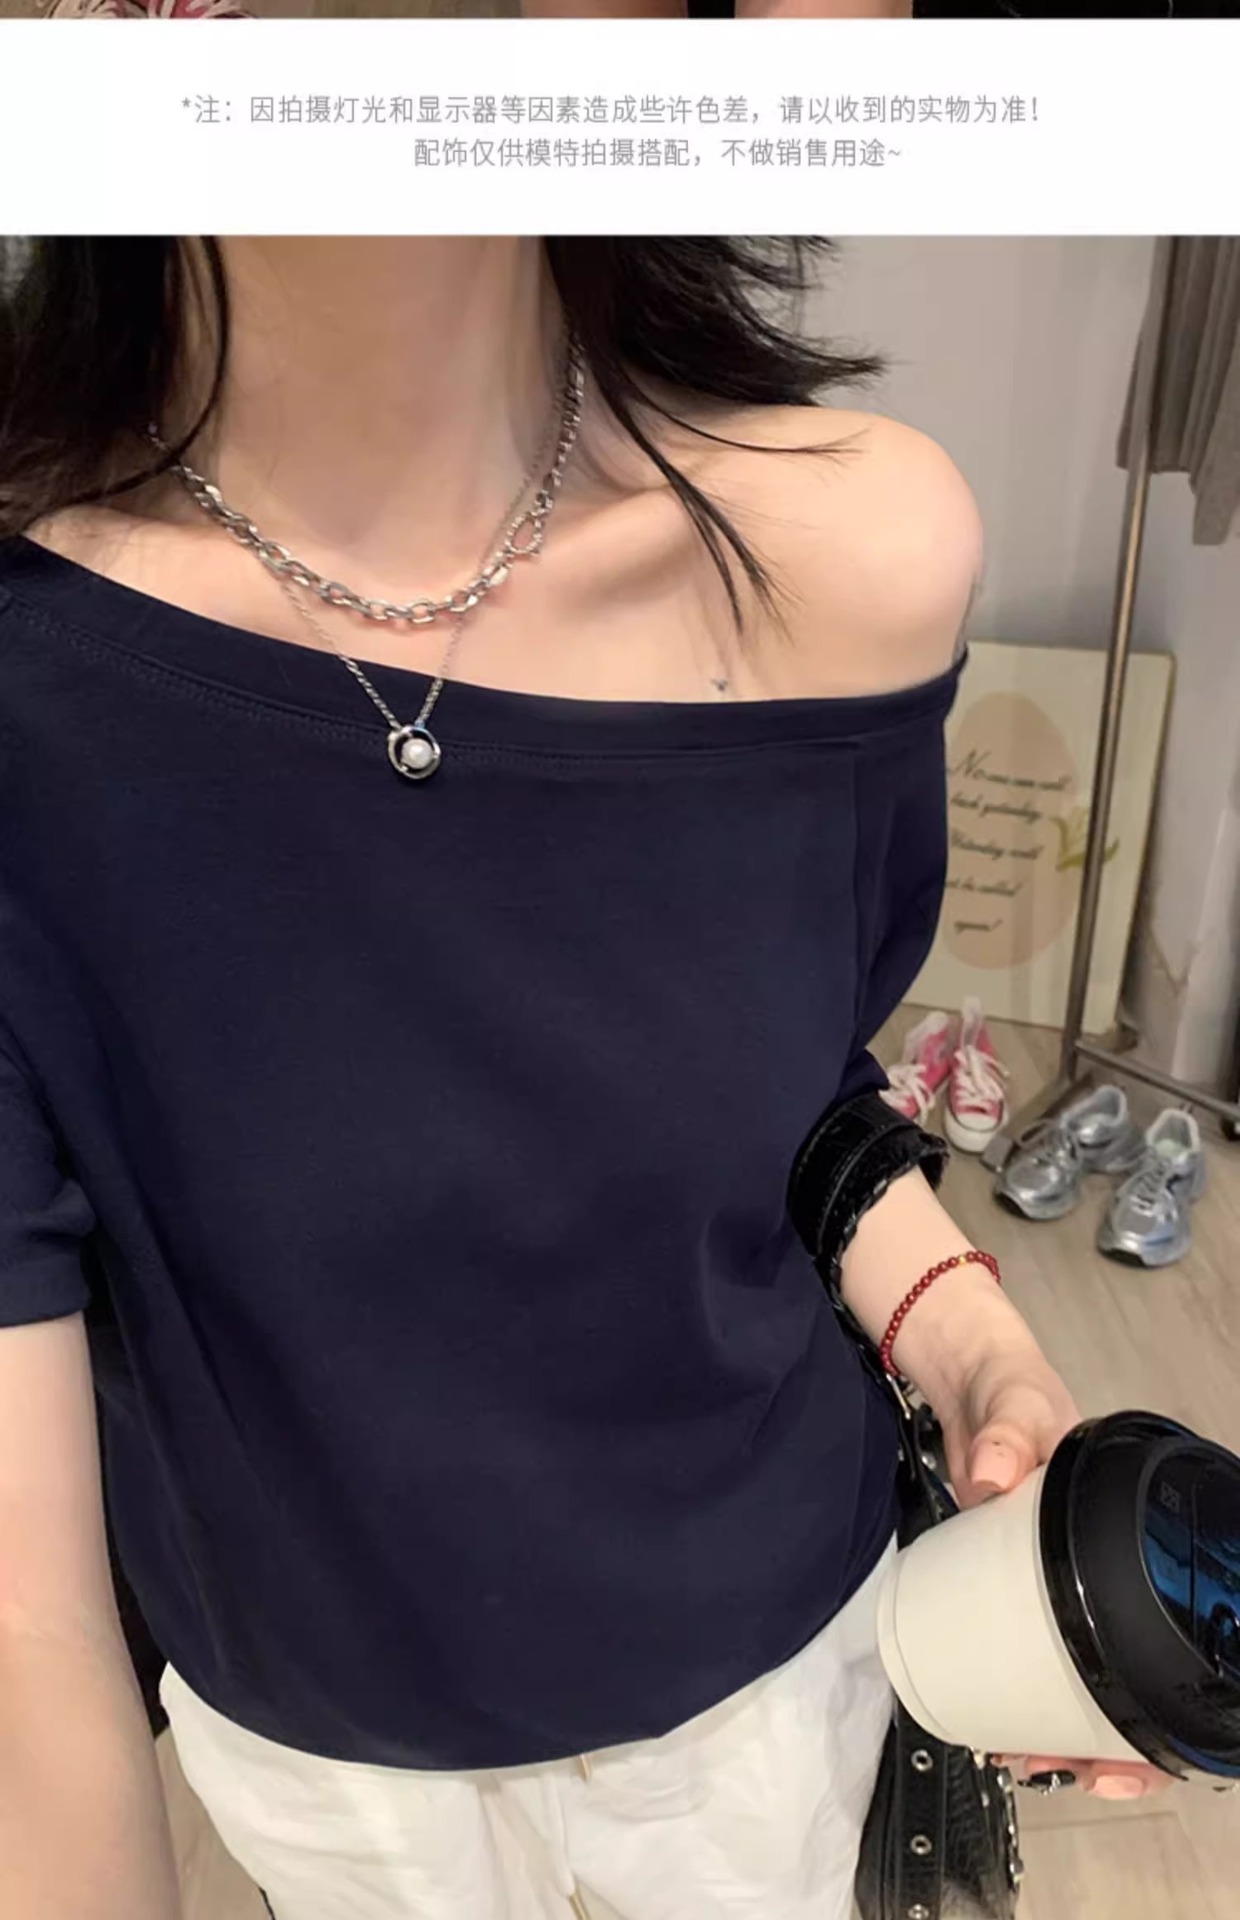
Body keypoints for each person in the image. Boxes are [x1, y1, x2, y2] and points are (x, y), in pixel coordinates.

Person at [0, 237, 1163, 1920]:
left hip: (775, 1668)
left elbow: (788, 1102)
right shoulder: (39, 683)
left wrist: (979, 1351)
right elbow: (26, 1628)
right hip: (333, 1748)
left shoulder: (847, 555)